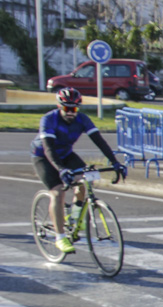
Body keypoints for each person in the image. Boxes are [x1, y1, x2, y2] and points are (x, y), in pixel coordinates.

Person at [30, 87, 127, 254]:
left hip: (66, 154)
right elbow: (49, 149)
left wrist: (115, 162)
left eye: (74, 109)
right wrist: (61, 170)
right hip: (44, 157)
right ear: (60, 107)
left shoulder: (82, 119)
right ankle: (60, 238)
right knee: (58, 192)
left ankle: (75, 216)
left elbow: (99, 141)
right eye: (66, 108)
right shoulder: (49, 120)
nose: (70, 112)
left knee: (86, 179)